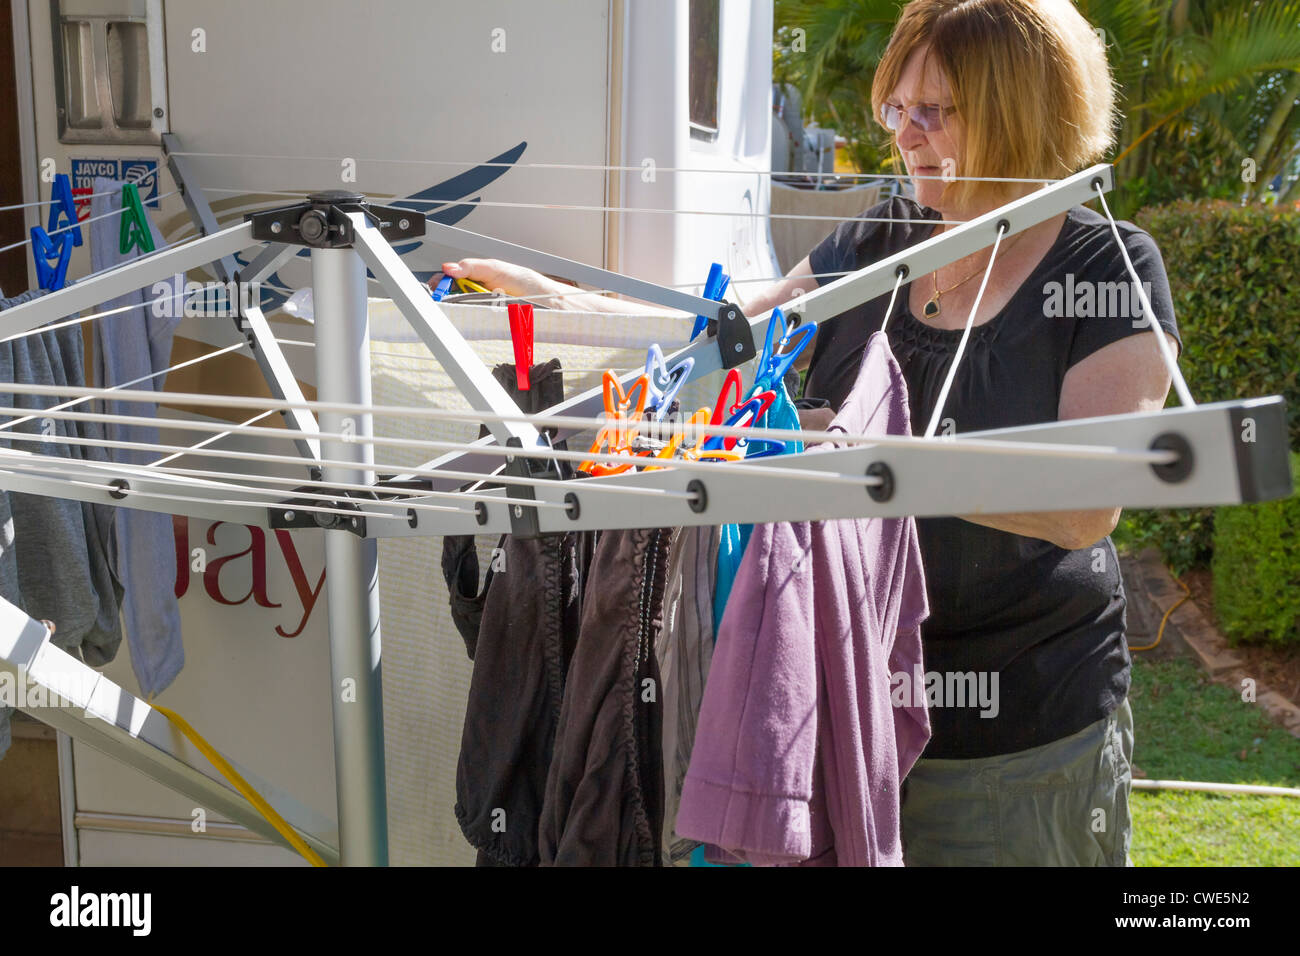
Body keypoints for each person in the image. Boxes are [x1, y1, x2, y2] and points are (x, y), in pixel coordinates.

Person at [434, 0, 1180, 866]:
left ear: (1021, 110)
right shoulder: (876, 242)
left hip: (1018, 740)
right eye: (896, 109)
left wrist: (858, 461)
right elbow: (719, 339)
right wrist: (568, 303)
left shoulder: (1104, 268)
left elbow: (1085, 508)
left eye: (935, 111)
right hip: (848, 705)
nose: (906, 133)